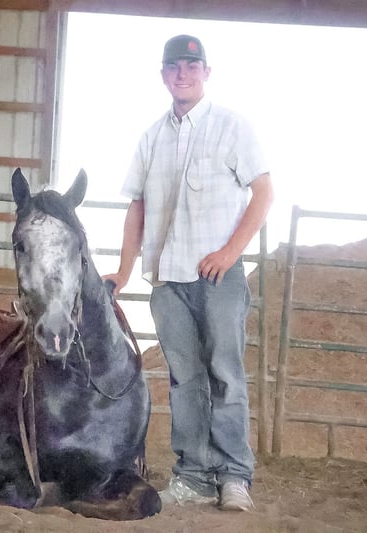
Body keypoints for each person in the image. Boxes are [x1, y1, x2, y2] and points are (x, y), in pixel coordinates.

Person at [104, 34, 274, 511]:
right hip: (168, 280)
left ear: (206, 73)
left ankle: (234, 477)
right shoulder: (151, 138)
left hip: (219, 278)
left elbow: (263, 192)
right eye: (174, 66)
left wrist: (229, 253)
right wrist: (124, 271)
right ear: (163, 75)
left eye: (192, 66)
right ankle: (194, 476)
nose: (183, 74)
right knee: (185, 379)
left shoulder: (231, 127)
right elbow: (137, 206)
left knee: (226, 374)